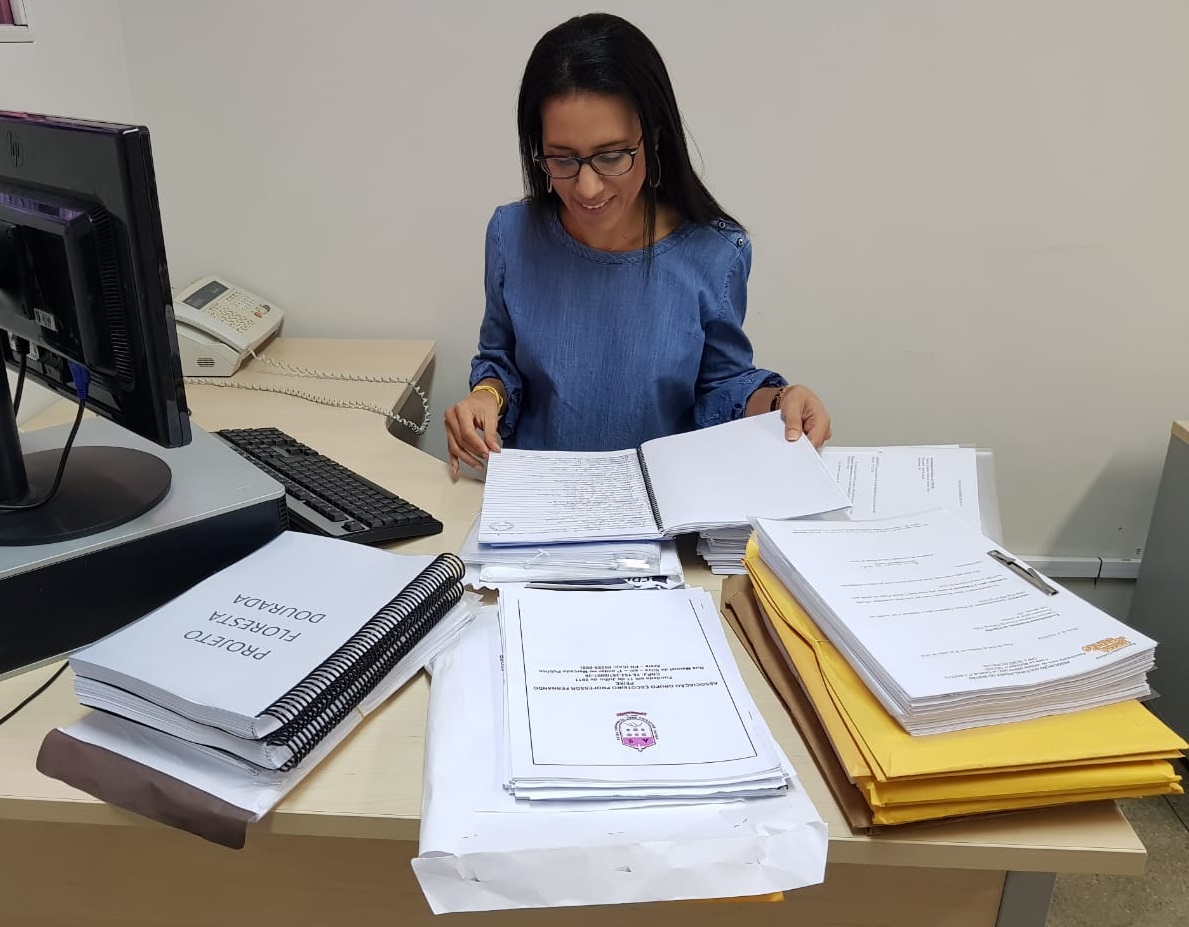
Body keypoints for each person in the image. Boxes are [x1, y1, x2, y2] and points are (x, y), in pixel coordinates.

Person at [445, 12, 830, 477]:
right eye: (562, 159)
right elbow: (499, 361)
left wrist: (781, 401)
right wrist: (484, 397)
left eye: (611, 156)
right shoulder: (512, 235)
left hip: (662, 503)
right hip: (541, 498)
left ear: (655, 139)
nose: (587, 187)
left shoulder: (714, 254)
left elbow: (721, 387)